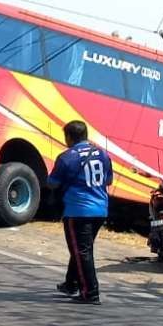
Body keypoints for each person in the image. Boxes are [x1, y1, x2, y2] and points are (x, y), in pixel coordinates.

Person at [49, 120, 112, 305]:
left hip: (78, 210)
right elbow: (108, 181)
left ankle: (90, 292)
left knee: (81, 251)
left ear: (69, 137)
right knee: (81, 248)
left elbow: (53, 182)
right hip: (100, 210)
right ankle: (71, 283)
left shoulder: (67, 157)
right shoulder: (102, 154)